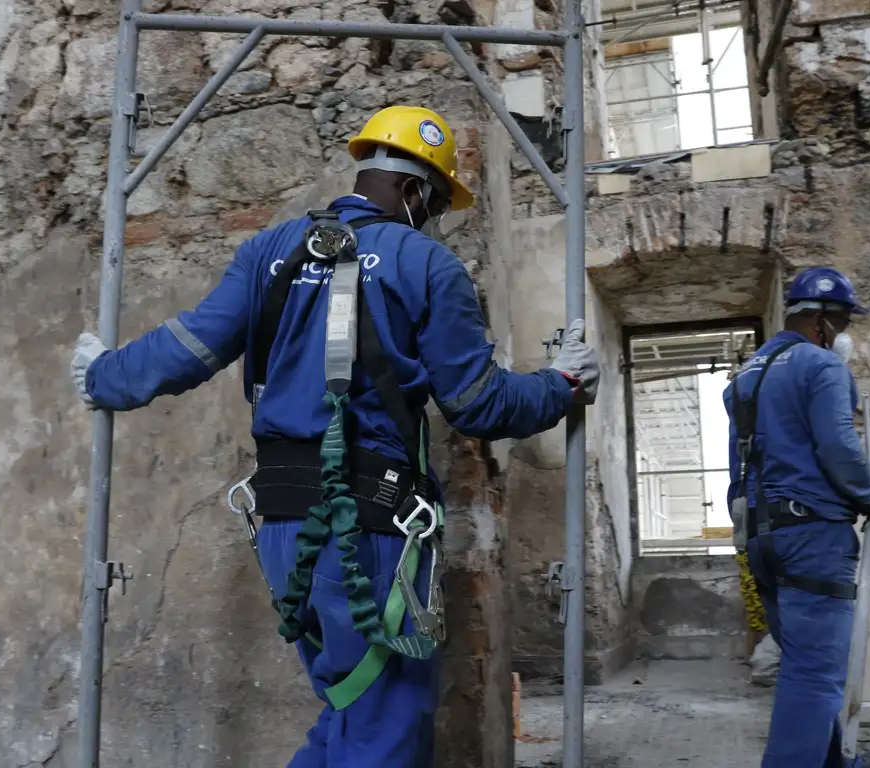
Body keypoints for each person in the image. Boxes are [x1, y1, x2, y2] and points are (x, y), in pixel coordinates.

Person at [69, 105, 600, 768]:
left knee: (350, 711)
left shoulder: (270, 250)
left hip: (285, 526)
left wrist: (103, 376)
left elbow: (191, 347)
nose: (433, 219)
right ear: (412, 190)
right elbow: (479, 403)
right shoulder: (426, 264)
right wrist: (563, 384)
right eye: (433, 203)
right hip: (366, 529)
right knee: (384, 726)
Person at [723, 266, 870, 768]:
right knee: (815, 673)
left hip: (761, 539)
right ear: (820, 322)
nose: (843, 337)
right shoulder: (821, 367)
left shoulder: (745, 377)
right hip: (812, 534)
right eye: (841, 324)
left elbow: (739, 467)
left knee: (802, 664)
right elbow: (838, 445)